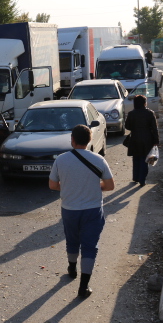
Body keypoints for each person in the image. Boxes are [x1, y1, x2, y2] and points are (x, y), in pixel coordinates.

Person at [48, 124, 115, 298]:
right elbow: (109, 185)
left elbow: (53, 185)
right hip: (92, 210)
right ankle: (83, 287)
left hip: (69, 209)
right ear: (90, 139)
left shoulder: (61, 160)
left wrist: (70, 186)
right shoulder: (99, 160)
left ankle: (72, 268)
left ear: (72, 139)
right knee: (89, 247)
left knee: (72, 240)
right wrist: (95, 185)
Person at [124, 94, 159, 187]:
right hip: (147, 140)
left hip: (134, 139)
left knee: (136, 159)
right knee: (145, 159)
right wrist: (156, 141)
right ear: (144, 103)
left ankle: (135, 177)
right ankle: (142, 180)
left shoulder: (131, 113)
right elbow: (154, 128)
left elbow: (127, 126)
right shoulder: (150, 113)